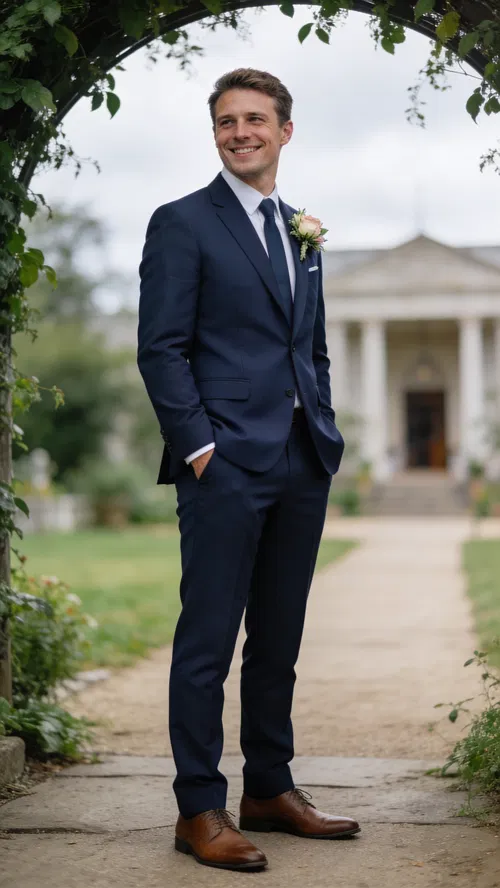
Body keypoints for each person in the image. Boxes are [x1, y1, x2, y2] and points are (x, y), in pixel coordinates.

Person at [137, 67, 360, 873]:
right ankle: (199, 807)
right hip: (223, 464)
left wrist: (321, 425)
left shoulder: (300, 230)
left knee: (278, 639)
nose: (241, 133)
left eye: (256, 119)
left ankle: (269, 786)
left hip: (302, 460)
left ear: (284, 131)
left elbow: (312, 347)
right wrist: (202, 449)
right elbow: (161, 349)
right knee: (206, 642)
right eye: (227, 121)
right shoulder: (181, 223)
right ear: (216, 133)